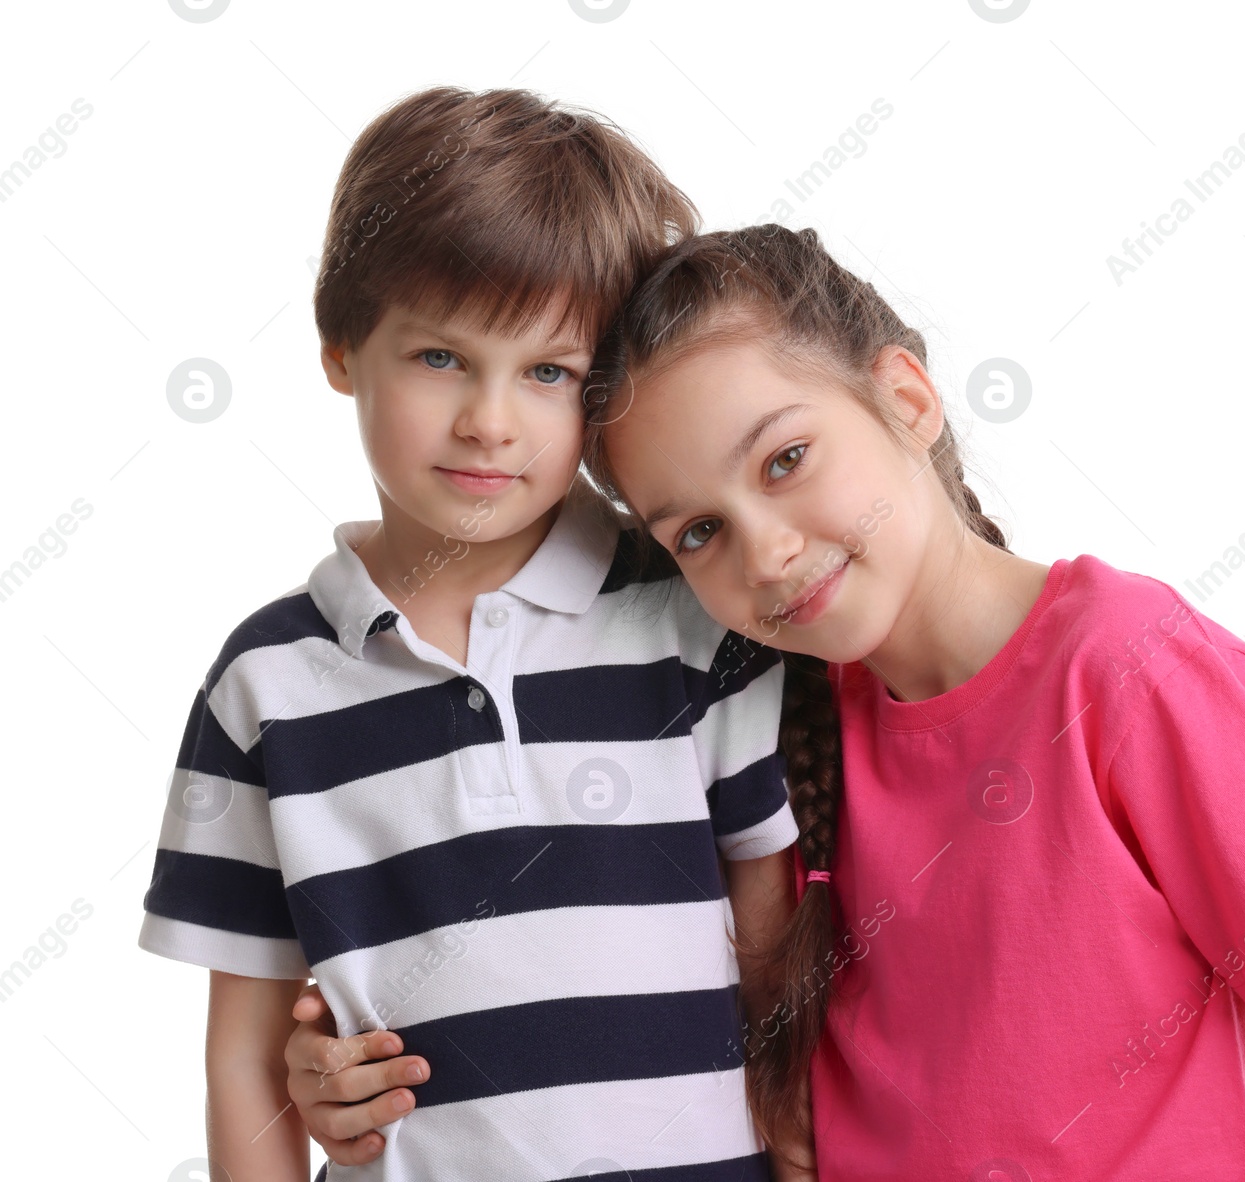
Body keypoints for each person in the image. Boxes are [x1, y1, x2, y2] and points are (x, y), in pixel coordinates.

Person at [287, 224, 1245, 1181]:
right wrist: (350, 1072)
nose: (768, 550)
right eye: (698, 531)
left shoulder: (1130, 674)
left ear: (905, 397)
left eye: (785, 459)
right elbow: (590, 987)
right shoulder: (777, 726)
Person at [138, 93, 808, 1181]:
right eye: (440, 357)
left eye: (546, 372)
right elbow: (245, 1065)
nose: (489, 421)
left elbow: (773, 955)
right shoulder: (264, 685)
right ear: (342, 347)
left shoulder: (687, 618)